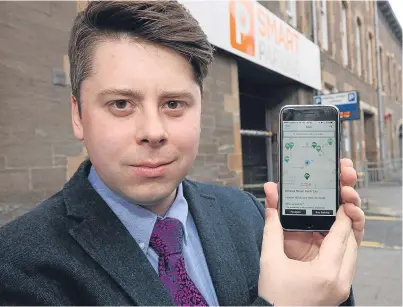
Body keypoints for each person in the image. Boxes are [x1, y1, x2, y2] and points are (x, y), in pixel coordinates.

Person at [0, 1, 365, 306]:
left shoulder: (248, 215)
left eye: (174, 103)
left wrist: (321, 281)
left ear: (200, 109)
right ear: (78, 115)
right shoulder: (19, 265)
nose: (153, 132)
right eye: (121, 104)